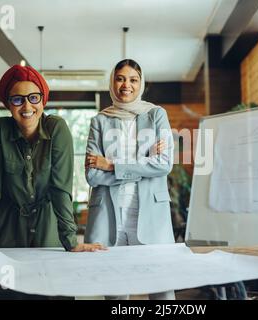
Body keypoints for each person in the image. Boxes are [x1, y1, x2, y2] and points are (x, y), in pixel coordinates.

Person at [0, 65, 105, 256]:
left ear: (42, 100)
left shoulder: (57, 128)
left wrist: (71, 241)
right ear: (9, 104)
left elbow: (60, 190)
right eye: (17, 99)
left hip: (46, 231)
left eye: (34, 97)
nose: (27, 107)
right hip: (6, 232)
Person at [85, 59, 175, 300]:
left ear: (141, 83)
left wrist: (112, 165)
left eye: (133, 79)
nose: (126, 85)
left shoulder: (156, 115)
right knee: (114, 290)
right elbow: (93, 175)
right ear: (112, 82)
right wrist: (144, 163)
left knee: (161, 289)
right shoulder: (99, 121)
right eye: (120, 78)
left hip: (150, 214)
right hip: (109, 216)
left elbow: (164, 164)